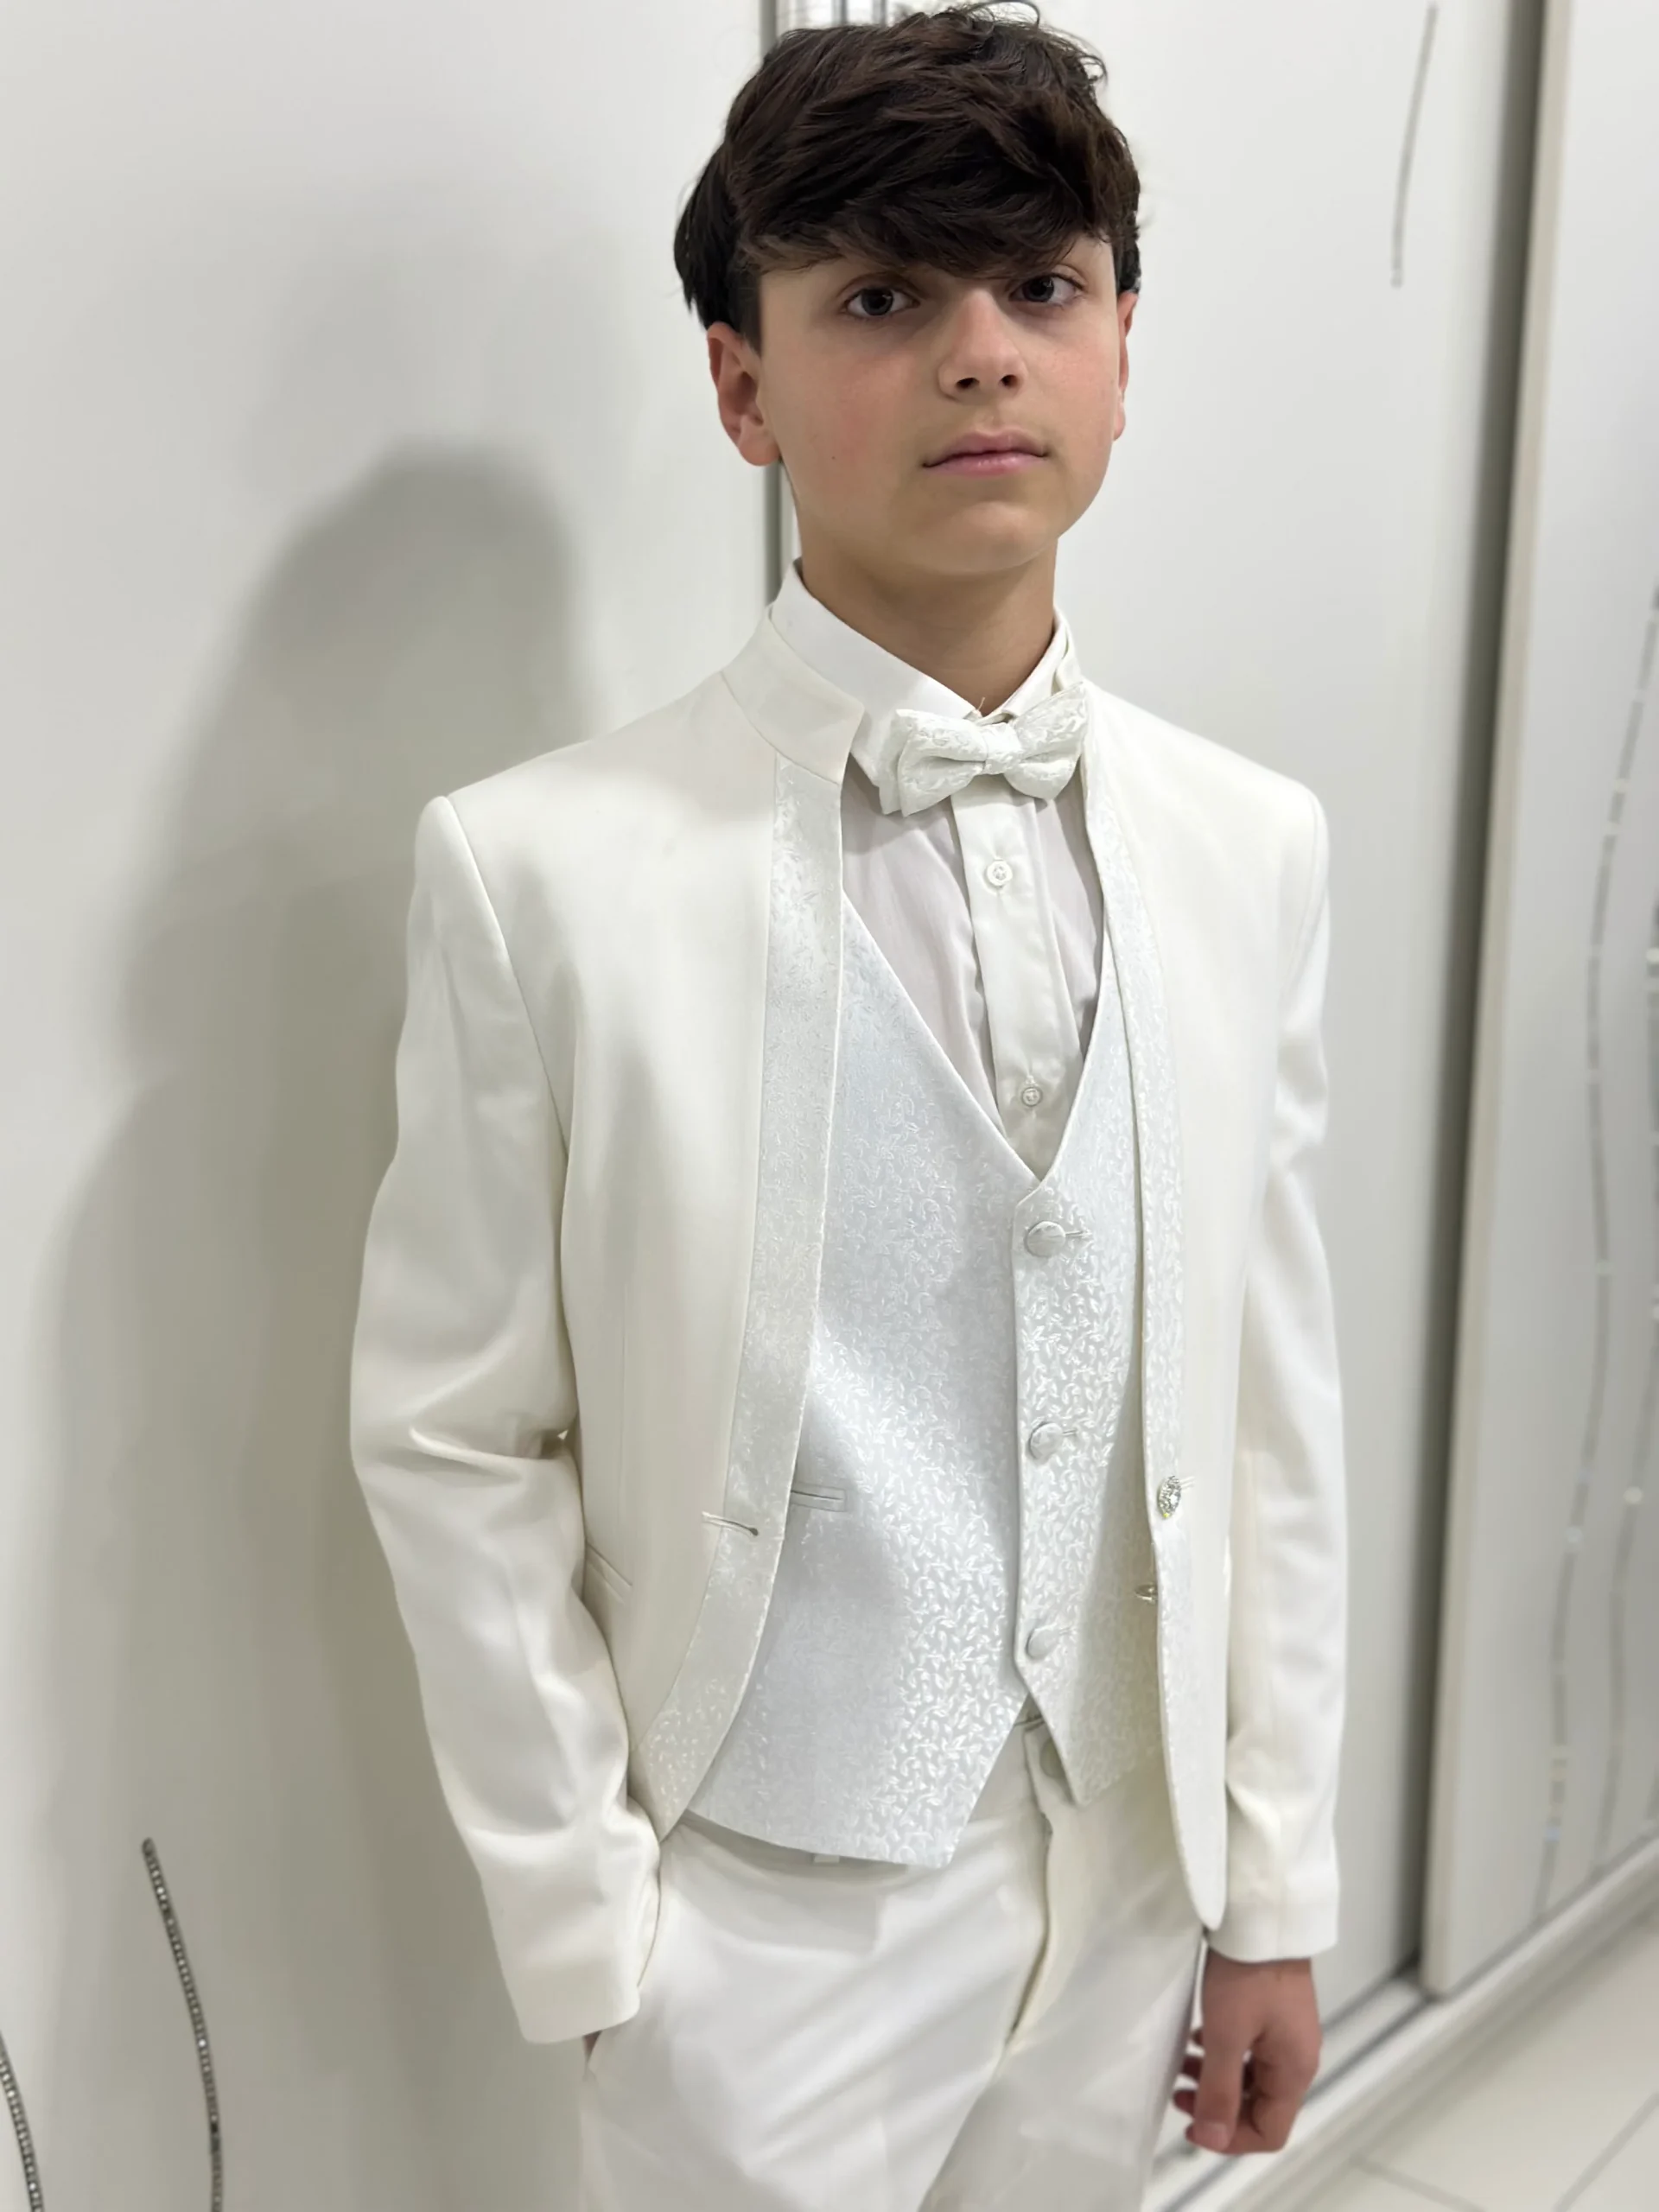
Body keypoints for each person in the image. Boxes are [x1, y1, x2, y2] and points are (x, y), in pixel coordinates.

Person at [348, 6, 1348, 2206]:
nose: (983, 352)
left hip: (1126, 1873)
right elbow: (455, 1430)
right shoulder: (545, 871)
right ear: (744, 387)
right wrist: (591, 1924)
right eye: (884, 298)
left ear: (1121, 347)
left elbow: (1267, 1398)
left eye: (1043, 286)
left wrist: (1268, 1878)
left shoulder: (1249, 843)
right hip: (754, 1918)